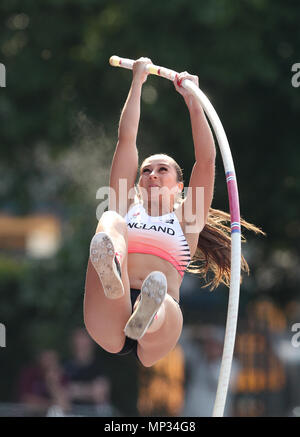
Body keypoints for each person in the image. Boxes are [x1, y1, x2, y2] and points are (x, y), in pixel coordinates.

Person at [84, 57, 263, 368]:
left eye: (162, 169)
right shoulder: (128, 206)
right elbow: (126, 140)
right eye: (146, 171)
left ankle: (148, 312)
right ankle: (112, 270)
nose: (152, 174)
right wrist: (137, 83)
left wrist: (194, 102)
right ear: (137, 185)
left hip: (159, 326)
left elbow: (205, 161)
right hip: (110, 309)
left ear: (180, 187)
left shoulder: (187, 219)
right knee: (110, 218)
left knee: (162, 300)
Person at [63, 327, 111, 413]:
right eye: (79, 339)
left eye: (84, 339)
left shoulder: (99, 365)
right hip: (71, 411)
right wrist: (90, 390)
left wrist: (76, 390)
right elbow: (63, 392)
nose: (81, 343)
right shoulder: (67, 366)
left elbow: (100, 393)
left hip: (94, 411)